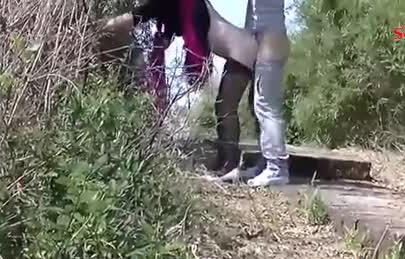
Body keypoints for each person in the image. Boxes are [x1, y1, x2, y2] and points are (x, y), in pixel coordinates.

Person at [99, 0, 290, 187]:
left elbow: (138, 15)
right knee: (235, 107)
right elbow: (153, 19)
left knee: (227, 108)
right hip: (243, 48)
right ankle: (240, 163)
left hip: (242, 51)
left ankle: (231, 165)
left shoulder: (181, 3)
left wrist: (100, 28)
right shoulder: (180, 6)